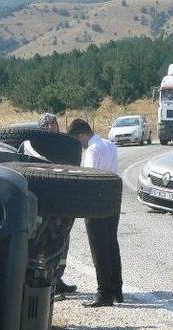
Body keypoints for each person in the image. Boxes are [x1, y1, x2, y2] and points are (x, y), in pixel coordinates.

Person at [67, 118, 123, 307]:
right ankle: (117, 289)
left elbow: (88, 177)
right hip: (112, 197)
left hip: (96, 201)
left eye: (77, 140)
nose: (79, 145)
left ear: (82, 135)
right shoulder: (109, 144)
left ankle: (103, 293)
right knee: (111, 244)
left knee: (98, 248)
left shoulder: (92, 150)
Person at [36, 112, 77, 295]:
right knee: (47, 243)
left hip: (64, 202)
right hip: (47, 206)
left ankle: (58, 279)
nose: (51, 127)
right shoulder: (38, 148)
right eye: (47, 125)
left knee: (63, 242)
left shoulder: (64, 145)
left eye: (53, 123)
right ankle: (48, 281)